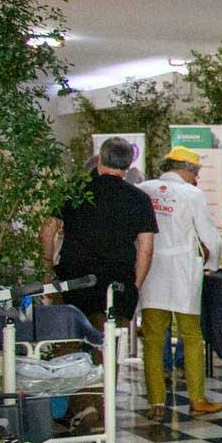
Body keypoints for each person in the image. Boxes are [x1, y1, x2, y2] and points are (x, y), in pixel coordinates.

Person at [137, 147, 222, 421]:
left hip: (151, 270)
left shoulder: (143, 189)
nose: (196, 178)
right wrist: (212, 264)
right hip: (184, 271)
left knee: (152, 339)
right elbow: (209, 237)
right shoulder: (192, 194)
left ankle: (156, 403)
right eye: (196, 173)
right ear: (188, 170)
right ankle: (197, 399)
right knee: (191, 337)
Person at [40, 136, 156, 324]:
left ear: (100, 159)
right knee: (109, 345)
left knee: (68, 340)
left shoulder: (75, 191)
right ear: (128, 165)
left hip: (74, 278)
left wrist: (46, 270)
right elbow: (146, 248)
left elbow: (47, 231)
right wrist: (134, 286)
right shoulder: (139, 199)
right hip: (117, 282)